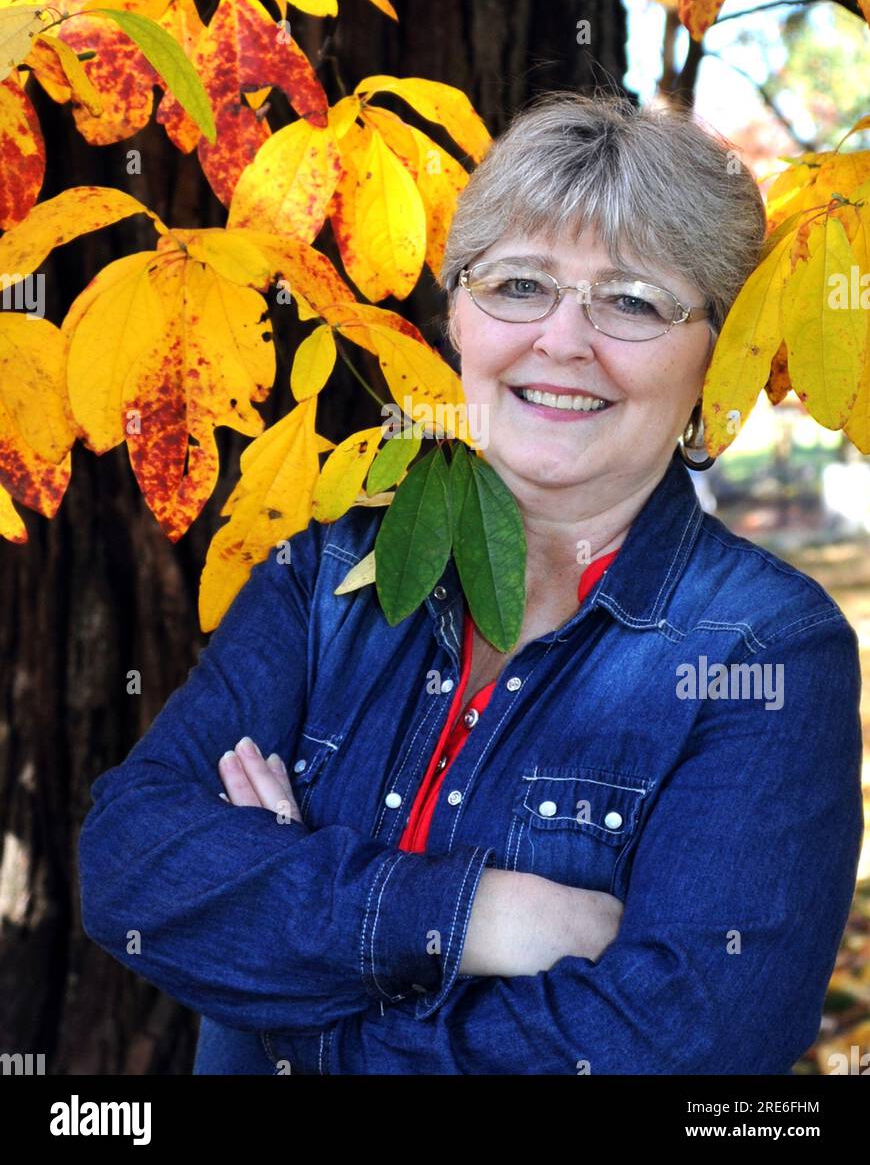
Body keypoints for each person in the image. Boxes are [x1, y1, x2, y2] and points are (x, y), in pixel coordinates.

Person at [78, 91, 864, 1075]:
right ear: (456, 315)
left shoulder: (766, 648)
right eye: (520, 284)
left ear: (715, 352)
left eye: (632, 300)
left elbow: (681, 1045)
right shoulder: (328, 577)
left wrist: (283, 961)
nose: (563, 340)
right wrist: (483, 915)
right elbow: (126, 868)